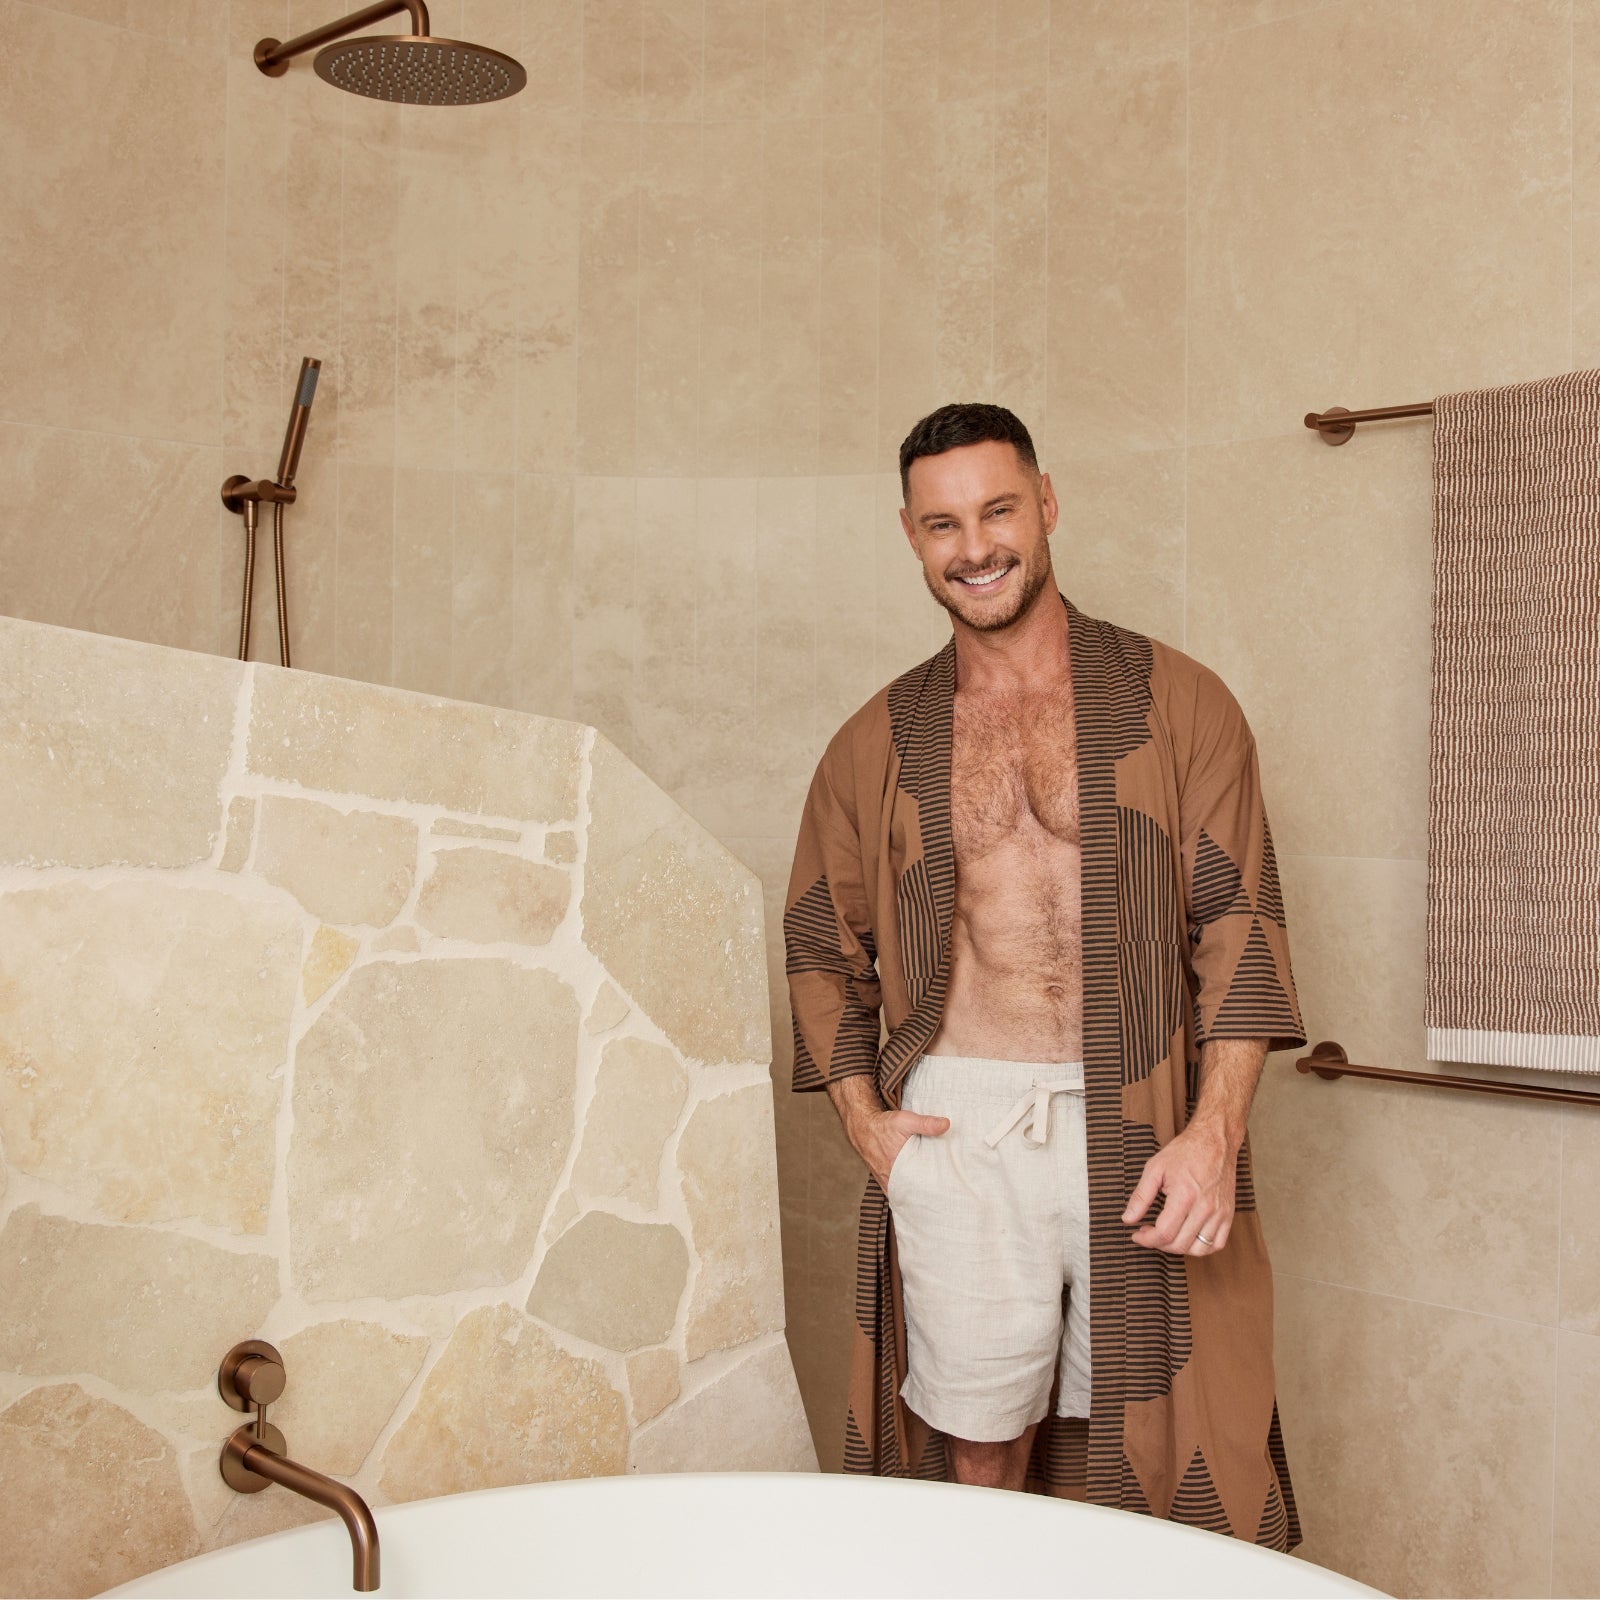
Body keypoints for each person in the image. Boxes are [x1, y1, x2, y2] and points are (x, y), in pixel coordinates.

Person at [784, 403, 1306, 1546]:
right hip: (959, 1125)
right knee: (978, 1444)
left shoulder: (1179, 702)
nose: (975, 547)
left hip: (1147, 1112)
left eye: (998, 510)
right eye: (942, 524)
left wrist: (1214, 1131)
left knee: (1161, 1435)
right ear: (911, 536)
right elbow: (821, 943)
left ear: (1047, 504)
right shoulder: (877, 740)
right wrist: (865, 1122)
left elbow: (1239, 926)